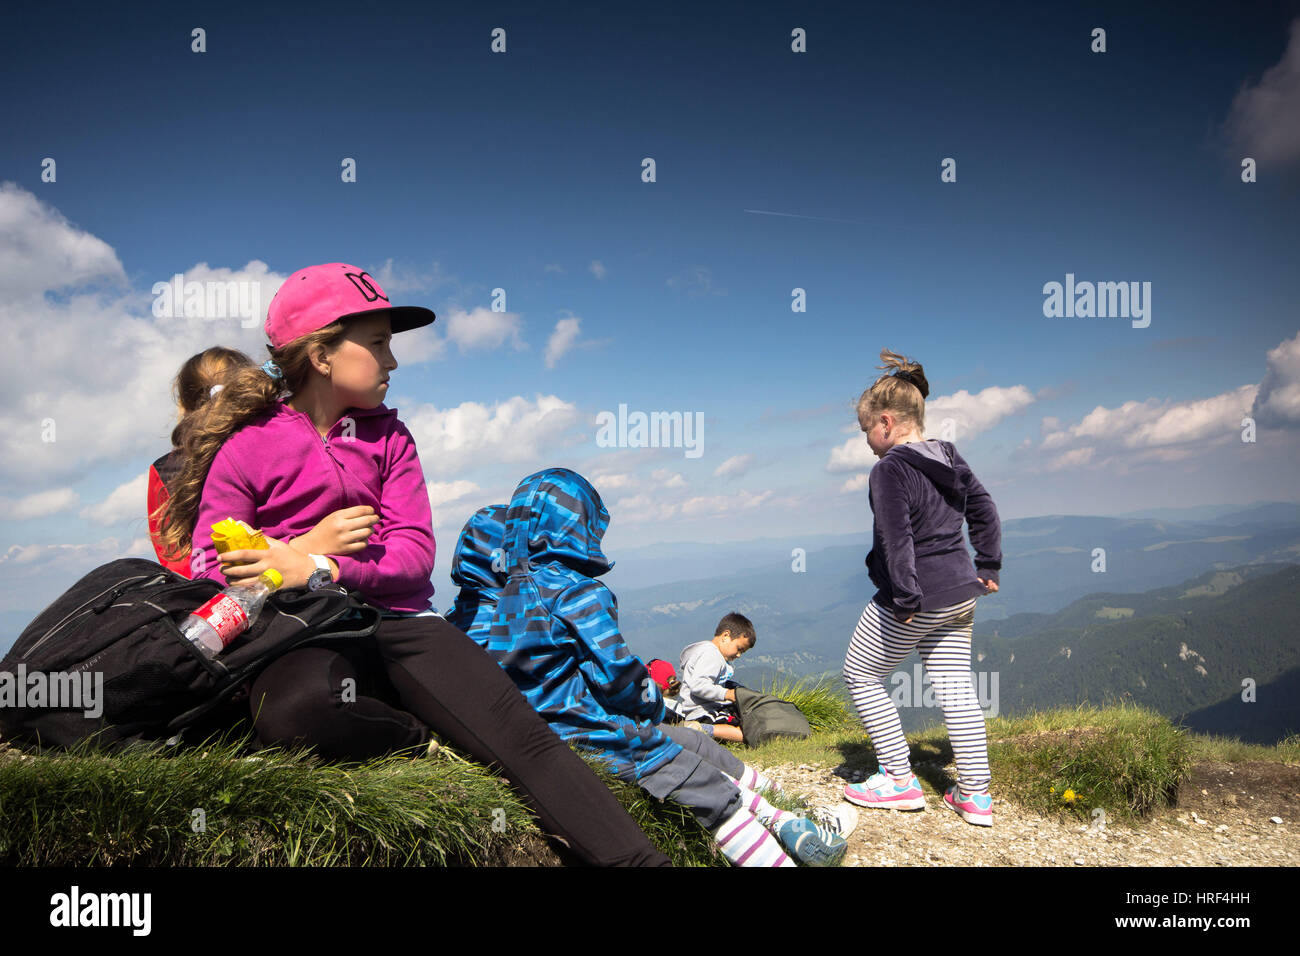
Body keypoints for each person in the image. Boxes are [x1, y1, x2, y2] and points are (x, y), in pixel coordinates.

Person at [153, 261, 670, 866]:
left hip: (398, 622)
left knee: (522, 736)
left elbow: (414, 559)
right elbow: (211, 570)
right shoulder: (248, 446)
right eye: (377, 344)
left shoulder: (391, 439)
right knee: (298, 711)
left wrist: (319, 563)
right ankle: (418, 732)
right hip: (295, 633)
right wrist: (290, 560)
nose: (392, 361)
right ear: (321, 355)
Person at [450, 470, 856, 867]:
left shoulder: (505, 600)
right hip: (595, 735)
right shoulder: (576, 592)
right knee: (708, 786)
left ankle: (788, 822)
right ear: (576, 526)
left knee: (696, 761)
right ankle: (788, 841)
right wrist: (655, 706)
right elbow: (618, 677)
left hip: (543, 739)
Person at [840, 349, 1002, 827]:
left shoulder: (889, 469)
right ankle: (974, 796)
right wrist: (988, 563)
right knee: (956, 688)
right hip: (962, 589)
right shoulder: (948, 455)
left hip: (917, 596)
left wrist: (906, 597)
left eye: (867, 429)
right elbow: (985, 508)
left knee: (861, 674)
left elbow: (897, 538)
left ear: (886, 422)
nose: (867, 441)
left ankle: (898, 780)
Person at [148, 348, 375, 579]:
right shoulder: (277, 439)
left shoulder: (164, 469)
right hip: (317, 580)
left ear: (184, 405)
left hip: (221, 596)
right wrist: (307, 546)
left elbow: (176, 560)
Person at [677, 613, 756, 743]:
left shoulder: (711, 653)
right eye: (739, 649)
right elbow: (699, 685)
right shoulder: (711, 655)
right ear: (725, 636)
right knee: (745, 733)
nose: (739, 655)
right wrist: (728, 694)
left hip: (704, 709)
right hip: (701, 712)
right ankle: (699, 729)